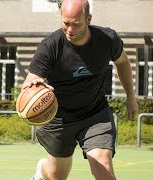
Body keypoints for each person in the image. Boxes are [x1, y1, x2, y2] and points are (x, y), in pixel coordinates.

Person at [24, 0, 138, 179]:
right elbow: (30, 81)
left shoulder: (107, 39)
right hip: (58, 117)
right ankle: (41, 172)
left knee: (103, 163)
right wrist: (35, 83)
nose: (70, 30)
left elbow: (122, 62)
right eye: (65, 23)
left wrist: (131, 97)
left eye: (75, 24)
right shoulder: (50, 46)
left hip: (94, 114)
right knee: (56, 175)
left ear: (88, 19)